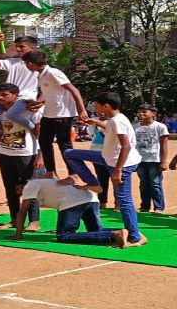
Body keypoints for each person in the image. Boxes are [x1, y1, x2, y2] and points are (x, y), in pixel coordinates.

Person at [63, 92, 146, 247]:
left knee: (124, 199)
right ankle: (93, 183)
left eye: (96, 105)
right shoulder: (115, 120)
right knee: (70, 153)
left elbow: (126, 146)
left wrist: (118, 170)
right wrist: (94, 122)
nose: (95, 108)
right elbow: (109, 128)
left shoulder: (118, 121)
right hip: (108, 158)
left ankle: (135, 237)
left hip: (120, 163)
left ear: (106, 106)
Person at [6, 178, 131, 248]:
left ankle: (114, 234)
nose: (20, 194)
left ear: (20, 186)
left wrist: (18, 235)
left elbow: (22, 211)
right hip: (91, 199)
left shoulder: (30, 185)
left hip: (73, 202)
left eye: (18, 191)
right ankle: (130, 233)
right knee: (95, 230)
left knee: (64, 236)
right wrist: (61, 225)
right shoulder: (43, 183)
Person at [22, 50, 89, 178]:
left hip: (62, 114)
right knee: (44, 141)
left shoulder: (53, 72)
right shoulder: (41, 75)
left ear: (30, 63)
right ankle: (51, 171)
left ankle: (73, 173)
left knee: (64, 144)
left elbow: (74, 90)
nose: (26, 66)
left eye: (25, 63)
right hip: (49, 113)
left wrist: (82, 110)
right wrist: (39, 103)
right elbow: (51, 93)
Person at [0, 83, 42, 232]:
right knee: (10, 188)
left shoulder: (31, 111)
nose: (0, 98)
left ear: (16, 96)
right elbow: (1, 133)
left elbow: (41, 135)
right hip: (5, 154)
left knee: (30, 187)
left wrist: (40, 156)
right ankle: (14, 219)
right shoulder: (0, 112)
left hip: (26, 154)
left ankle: (34, 221)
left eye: (4, 95)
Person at [0, 34, 40, 131]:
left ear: (32, 48)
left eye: (21, 46)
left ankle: (32, 128)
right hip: (7, 97)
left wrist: (39, 102)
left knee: (11, 115)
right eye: (16, 46)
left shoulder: (40, 65)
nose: (18, 49)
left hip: (24, 98)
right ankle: (5, 131)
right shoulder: (12, 61)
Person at [134, 104, 169, 214]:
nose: (141, 114)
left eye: (144, 112)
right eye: (139, 111)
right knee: (143, 183)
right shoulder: (135, 127)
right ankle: (145, 205)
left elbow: (164, 145)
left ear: (153, 113)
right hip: (140, 159)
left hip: (154, 159)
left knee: (155, 183)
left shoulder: (160, 127)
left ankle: (158, 207)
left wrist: (163, 161)